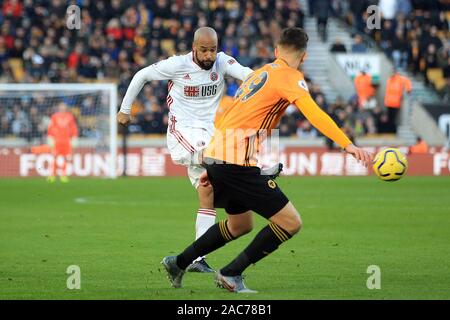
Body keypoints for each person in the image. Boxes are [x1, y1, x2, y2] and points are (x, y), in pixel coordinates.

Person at [161, 27, 373, 293]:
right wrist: (347, 144)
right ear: (304, 57)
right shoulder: (290, 77)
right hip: (234, 161)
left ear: (276, 51)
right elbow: (313, 113)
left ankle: (178, 263)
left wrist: (213, 161)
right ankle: (230, 274)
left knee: (240, 224)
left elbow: (231, 113)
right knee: (290, 222)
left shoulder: (261, 73)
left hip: (221, 156)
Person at [117, 27, 253, 273]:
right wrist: (125, 109)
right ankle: (257, 174)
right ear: (194, 48)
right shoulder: (177, 65)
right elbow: (142, 75)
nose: (209, 55)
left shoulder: (221, 62)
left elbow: (247, 74)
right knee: (215, 160)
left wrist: (265, 85)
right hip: (184, 132)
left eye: (213, 49)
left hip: (211, 133)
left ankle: (196, 258)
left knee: (207, 190)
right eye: (204, 50)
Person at [47, 102, 78, 183]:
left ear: (65, 107)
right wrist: (50, 138)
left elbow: (73, 128)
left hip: (66, 141)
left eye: (63, 106)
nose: (62, 108)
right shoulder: (54, 116)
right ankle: (52, 175)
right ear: (58, 107)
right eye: (61, 106)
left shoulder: (70, 116)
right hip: (57, 141)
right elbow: (50, 127)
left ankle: (63, 175)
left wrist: (74, 137)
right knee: (54, 158)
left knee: (65, 159)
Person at [384, 69, 412, 133]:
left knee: (393, 118)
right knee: (389, 118)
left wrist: (408, 90)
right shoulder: (389, 80)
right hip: (388, 102)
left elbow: (407, 82)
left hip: (395, 102)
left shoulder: (400, 79)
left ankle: (393, 131)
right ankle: (389, 131)